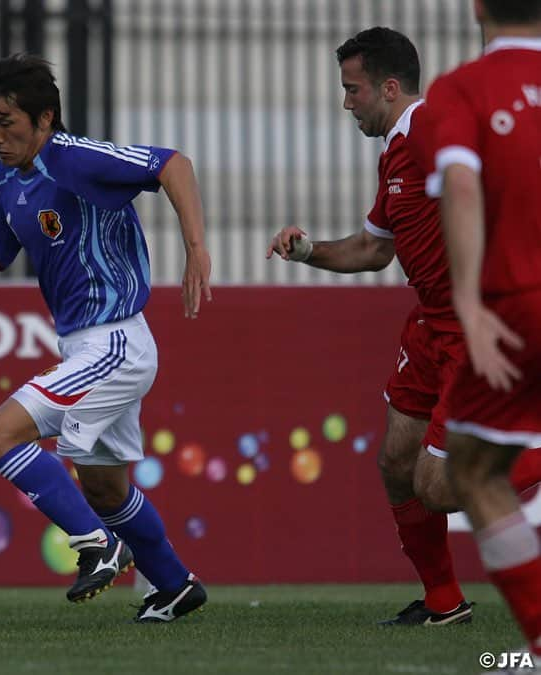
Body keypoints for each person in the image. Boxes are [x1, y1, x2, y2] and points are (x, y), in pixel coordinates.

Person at [0, 53, 211, 622]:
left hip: (114, 342)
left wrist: (196, 247)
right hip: (89, 346)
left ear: (45, 118)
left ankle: (96, 546)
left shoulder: (74, 157)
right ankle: (174, 586)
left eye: (7, 123)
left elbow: (174, 165)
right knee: (106, 491)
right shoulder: (10, 179)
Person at [266, 26, 541, 627]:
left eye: (352, 89)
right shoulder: (397, 150)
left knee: (442, 485)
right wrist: (307, 249)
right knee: (396, 462)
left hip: (472, 326)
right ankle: (444, 601)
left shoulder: (428, 129)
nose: (346, 103)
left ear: (389, 88)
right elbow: (372, 249)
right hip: (429, 326)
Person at [421, 0, 541, 660]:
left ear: (476, 7)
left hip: (521, 305)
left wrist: (467, 300)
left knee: (466, 471)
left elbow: (462, 187)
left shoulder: (464, 88)